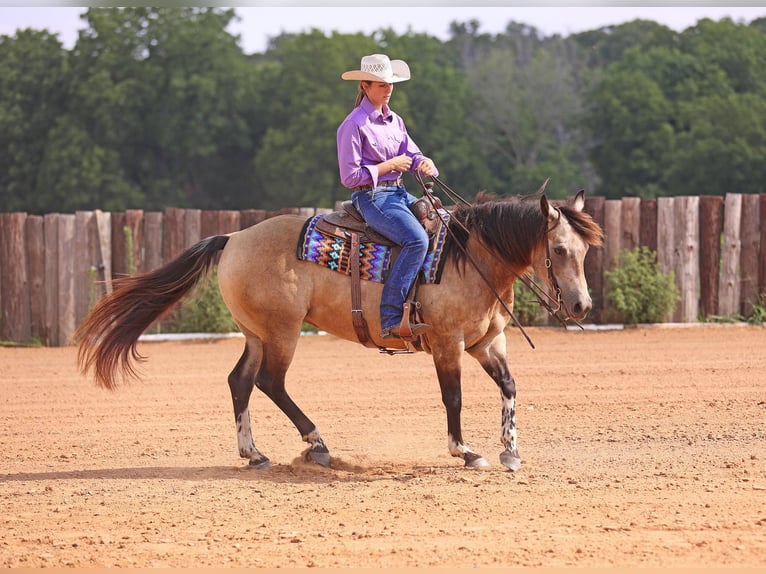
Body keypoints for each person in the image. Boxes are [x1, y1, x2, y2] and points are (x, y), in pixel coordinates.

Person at [337, 53, 439, 341]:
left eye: (390, 83)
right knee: (416, 239)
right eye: (381, 84)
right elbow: (349, 177)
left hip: (398, 192)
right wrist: (388, 166)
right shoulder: (354, 124)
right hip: (372, 198)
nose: (388, 88)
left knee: (442, 226)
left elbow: (413, 152)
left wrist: (424, 161)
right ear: (365, 86)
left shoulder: (395, 121)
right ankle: (392, 317)